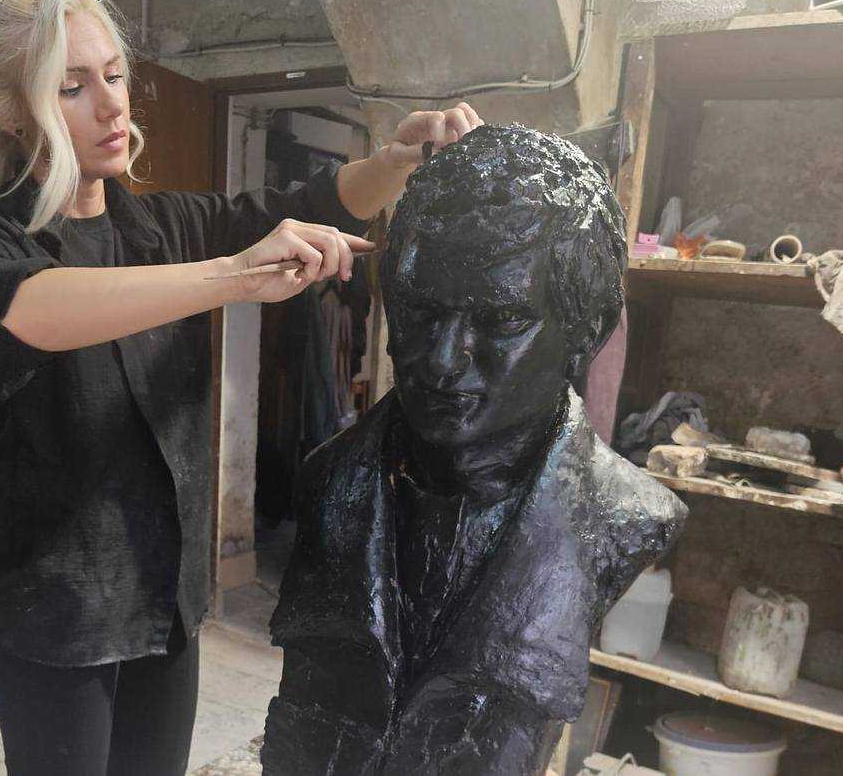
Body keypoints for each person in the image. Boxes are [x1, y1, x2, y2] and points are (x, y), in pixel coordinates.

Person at [0, 0, 483, 776]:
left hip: (167, 601)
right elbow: (28, 308)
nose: (112, 104)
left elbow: (304, 205)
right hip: (59, 614)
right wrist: (234, 276)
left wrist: (396, 160)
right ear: (9, 111)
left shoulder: (161, 229)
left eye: (114, 75)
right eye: (71, 87)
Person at [262, 124, 688, 775]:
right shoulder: (329, 481)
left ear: (587, 330)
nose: (440, 359)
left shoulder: (625, 517)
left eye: (501, 320)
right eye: (420, 311)